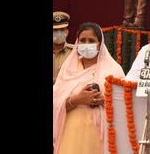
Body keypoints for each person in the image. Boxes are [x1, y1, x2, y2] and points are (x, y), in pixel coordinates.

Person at [53, 22, 126, 154]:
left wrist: (104, 101)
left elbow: (125, 104)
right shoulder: (68, 69)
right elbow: (55, 103)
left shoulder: (113, 70)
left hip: (100, 135)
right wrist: (76, 100)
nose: (86, 44)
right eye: (82, 40)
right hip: (70, 133)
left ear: (100, 44)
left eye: (91, 40)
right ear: (77, 43)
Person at [53, 11, 74, 84]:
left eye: (62, 30)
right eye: (55, 30)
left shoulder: (74, 51)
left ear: (67, 32)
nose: (59, 33)